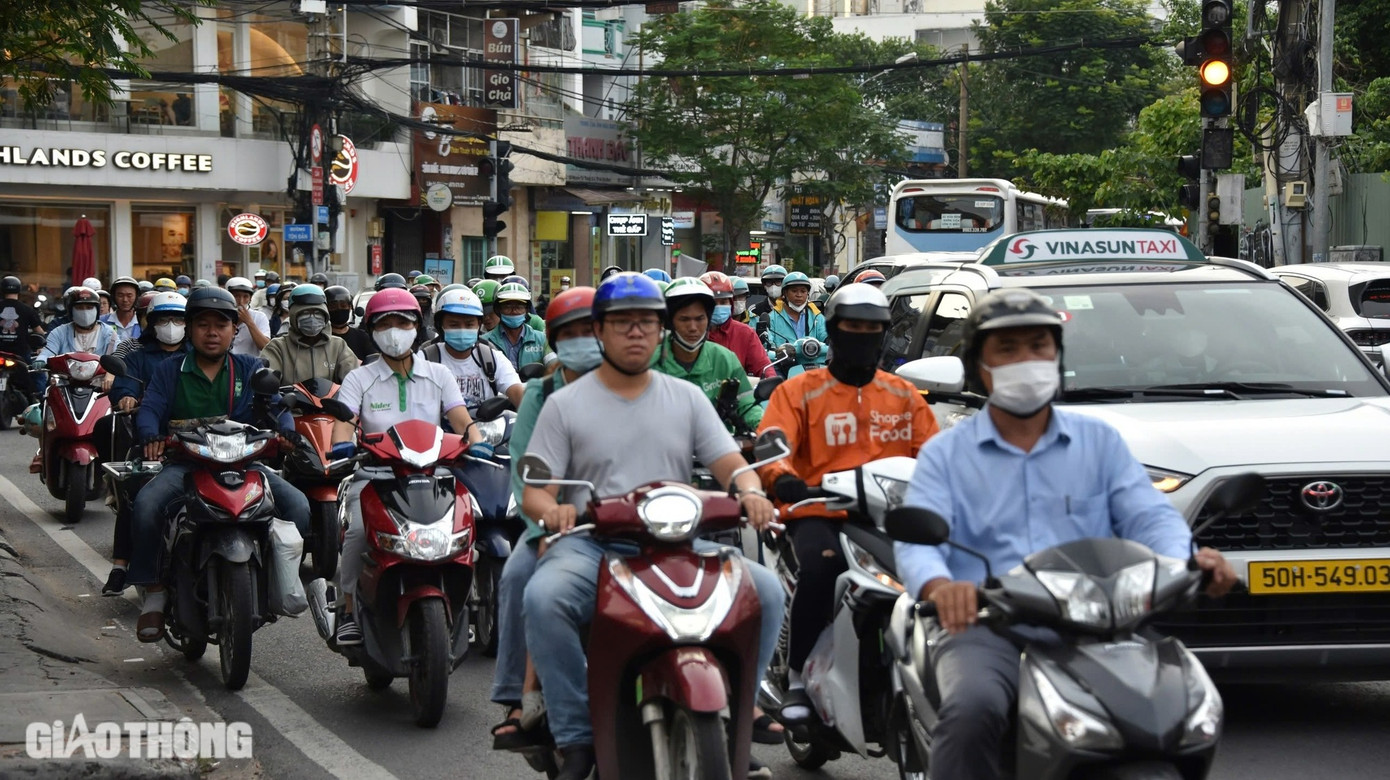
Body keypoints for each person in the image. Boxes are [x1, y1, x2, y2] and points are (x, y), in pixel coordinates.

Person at [892, 288, 1237, 780]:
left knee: (1181, 705)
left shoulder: (1100, 442)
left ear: (1056, 355)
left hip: (1102, 625)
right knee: (974, 710)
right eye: (1007, 350)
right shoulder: (946, 454)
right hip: (990, 628)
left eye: (1038, 346)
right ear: (979, 365)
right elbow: (918, 538)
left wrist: (1188, 561)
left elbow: (1149, 516)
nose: (1026, 361)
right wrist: (940, 587)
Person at [519, 272, 785, 780]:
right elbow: (536, 487)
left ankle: (743, 706)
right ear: (600, 330)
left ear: (661, 330)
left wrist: (751, 491)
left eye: (647, 322)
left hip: (679, 540)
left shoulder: (684, 397)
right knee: (543, 597)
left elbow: (729, 461)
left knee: (767, 591)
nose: (636, 332)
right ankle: (576, 735)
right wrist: (551, 510)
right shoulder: (565, 404)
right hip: (591, 543)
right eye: (623, 323)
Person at [756, 283, 937, 722]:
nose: (862, 336)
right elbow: (771, 449)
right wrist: (783, 480)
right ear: (833, 332)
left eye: (872, 329)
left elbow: (935, 457)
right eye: (852, 328)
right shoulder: (797, 392)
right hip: (817, 512)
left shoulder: (904, 395)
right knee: (822, 567)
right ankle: (798, 679)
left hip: (889, 516)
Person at [128, 287, 311, 642]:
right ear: (190, 329)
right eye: (203, 325)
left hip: (245, 465)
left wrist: (286, 434)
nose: (212, 332)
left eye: (221, 325)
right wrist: (150, 435)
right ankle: (154, 592)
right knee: (147, 506)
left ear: (233, 331)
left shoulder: (252, 367)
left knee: (298, 507)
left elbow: (276, 406)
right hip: (186, 465)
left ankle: (273, 582)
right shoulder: (170, 370)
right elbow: (150, 407)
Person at [329, 289, 488, 645]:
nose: (395, 330)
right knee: (356, 534)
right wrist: (340, 443)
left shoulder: (439, 375)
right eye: (386, 323)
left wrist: (478, 443)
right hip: (375, 477)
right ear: (371, 330)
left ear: (418, 326)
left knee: (470, 526)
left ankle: (471, 605)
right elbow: (345, 420)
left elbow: (460, 418)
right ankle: (349, 609)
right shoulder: (359, 378)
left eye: (403, 321)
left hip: (434, 475)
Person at [490, 286, 600, 749]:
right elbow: (526, 468)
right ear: (554, 339)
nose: (582, 340)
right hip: (557, 520)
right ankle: (518, 696)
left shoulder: (639, 382)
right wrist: (547, 518)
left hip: (637, 519)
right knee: (518, 575)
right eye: (569, 333)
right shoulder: (542, 393)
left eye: (590, 330)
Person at [101, 291, 188, 597]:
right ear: (151, 323)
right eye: (164, 318)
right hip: (151, 442)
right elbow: (122, 385)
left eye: (178, 318)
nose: (171, 325)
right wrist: (125, 396)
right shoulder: (137, 356)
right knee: (135, 496)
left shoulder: (199, 355)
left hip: (200, 443)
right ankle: (120, 566)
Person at [652, 278, 762, 433]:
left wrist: (765, 428)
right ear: (670, 322)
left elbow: (747, 406)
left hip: (720, 448)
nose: (693, 327)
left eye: (700, 319)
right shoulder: (649, 362)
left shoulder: (725, 359)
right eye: (684, 319)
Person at [420, 287, 524, 410]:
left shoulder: (491, 358)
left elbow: (518, 395)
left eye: (469, 324)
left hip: (488, 428)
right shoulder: (425, 359)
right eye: (454, 325)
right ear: (440, 325)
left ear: (479, 326)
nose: (462, 330)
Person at [261, 284, 359, 385]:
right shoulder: (278, 348)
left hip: (330, 400)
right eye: (305, 313)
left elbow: (354, 379)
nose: (312, 318)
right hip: (289, 400)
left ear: (325, 315)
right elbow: (267, 380)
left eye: (317, 313)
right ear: (294, 316)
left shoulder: (338, 346)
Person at [701, 271, 774, 379]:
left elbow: (763, 367)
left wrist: (771, 383)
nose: (718, 307)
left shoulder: (745, 333)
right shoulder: (692, 332)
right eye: (713, 302)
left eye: (723, 302)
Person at [762, 271, 828, 367]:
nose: (799, 295)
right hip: (783, 368)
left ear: (808, 293)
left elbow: (829, 342)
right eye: (794, 291)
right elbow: (766, 349)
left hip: (814, 368)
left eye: (803, 291)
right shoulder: (772, 318)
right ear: (785, 293)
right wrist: (779, 353)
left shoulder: (817, 316)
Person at [38, 286, 121, 361]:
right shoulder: (59, 332)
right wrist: (41, 359)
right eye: (79, 308)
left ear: (97, 310)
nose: (85, 312)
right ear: (71, 311)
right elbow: (48, 351)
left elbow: (119, 355)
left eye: (89, 308)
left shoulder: (109, 333)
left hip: (101, 377)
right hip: (65, 377)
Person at [482, 282, 547, 371]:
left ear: (527, 310)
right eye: (507, 307)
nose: (514, 311)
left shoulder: (542, 340)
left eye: (519, 307)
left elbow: (554, 367)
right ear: (498, 309)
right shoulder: (484, 342)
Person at [0, 275, 45, 401]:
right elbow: (40, 332)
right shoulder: (26, 309)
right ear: (19, 290)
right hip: (20, 354)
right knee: (39, 374)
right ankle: (40, 403)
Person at [325, 285, 374, 361]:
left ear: (350, 307)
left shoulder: (362, 337)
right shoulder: (322, 339)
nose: (339, 309)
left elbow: (373, 361)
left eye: (343, 305)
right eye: (333, 306)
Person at [225, 277, 271, 356]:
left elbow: (265, 347)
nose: (241, 301)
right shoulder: (221, 316)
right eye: (236, 296)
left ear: (250, 299)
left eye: (245, 297)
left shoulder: (259, 317)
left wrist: (249, 322)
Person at [102, 276, 141, 341]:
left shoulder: (143, 323)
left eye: (129, 296)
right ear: (114, 297)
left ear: (136, 297)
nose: (125, 300)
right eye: (120, 295)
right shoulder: (102, 322)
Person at [409, 283, 437, 348]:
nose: (421, 303)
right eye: (417, 300)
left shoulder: (435, 318)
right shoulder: (405, 318)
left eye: (424, 300)